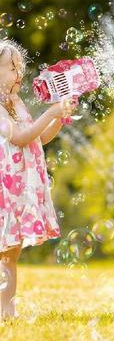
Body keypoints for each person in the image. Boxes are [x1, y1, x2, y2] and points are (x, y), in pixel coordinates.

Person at [0, 39, 77, 320]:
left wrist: (59, 115)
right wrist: (50, 112)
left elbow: (39, 137)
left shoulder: (16, 102)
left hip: (19, 187)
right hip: (3, 187)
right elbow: (19, 137)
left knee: (10, 253)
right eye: (11, 67)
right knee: (4, 251)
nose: (19, 73)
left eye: (19, 67)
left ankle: (7, 311)